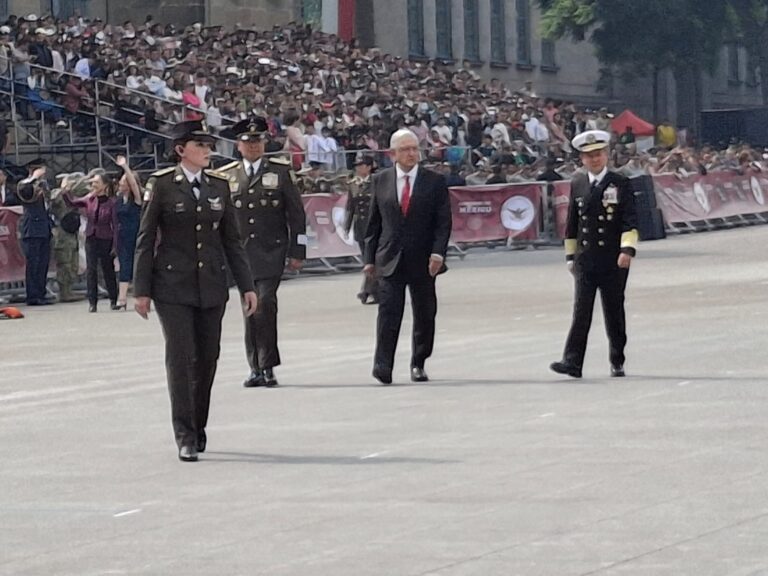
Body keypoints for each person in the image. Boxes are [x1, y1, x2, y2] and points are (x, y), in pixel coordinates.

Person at [133, 119, 258, 462]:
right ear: (180, 150)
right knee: (181, 358)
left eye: (208, 145)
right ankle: (184, 433)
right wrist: (140, 289)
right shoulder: (161, 186)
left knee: (207, 358)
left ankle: (198, 425)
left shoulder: (219, 186)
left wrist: (247, 285)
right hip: (172, 285)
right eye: (200, 146)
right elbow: (146, 240)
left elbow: (231, 240)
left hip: (212, 286)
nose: (207, 151)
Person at [219, 116, 306, 388]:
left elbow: (297, 215)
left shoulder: (280, 172)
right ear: (239, 145)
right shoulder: (227, 176)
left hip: (272, 251)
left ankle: (267, 365)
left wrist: (298, 250)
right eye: (248, 142)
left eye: (258, 141)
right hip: (241, 255)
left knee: (265, 304)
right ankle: (255, 367)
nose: (254, 146)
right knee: (250, 308)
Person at [363, 129, 452, 385]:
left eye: (414, 148)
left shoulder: (433, 181)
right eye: (405, 149)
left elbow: (443, 222)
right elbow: (374, 223)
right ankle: (383, 364)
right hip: (389, 258)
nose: (411, 154)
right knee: (388, 313)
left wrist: (438, 253)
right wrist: (369, 259)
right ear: (393, 154)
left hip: (424, 259)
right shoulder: (381, 180)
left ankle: (419, 361)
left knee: (425, 313)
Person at [550, 130, 638, 379]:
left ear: (606, 155)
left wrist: (627, 250)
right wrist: (570, 257)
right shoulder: (577, 182)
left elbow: (629, 221)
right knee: (581, 311)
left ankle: (617, 358)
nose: (594, 159)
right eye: (589, 156)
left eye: (598, 154)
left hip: (613, 259)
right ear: (582, 159)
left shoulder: (620, 183)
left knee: (613, 311)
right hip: (586, 258)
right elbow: (572, 224)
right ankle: (572, 361)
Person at [63, 172, 119, 312]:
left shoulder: (112, 203)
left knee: (108, 270)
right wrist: (66, 191)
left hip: (106, 238)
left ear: (105, 185)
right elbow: (72, 202)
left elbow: (116, 226)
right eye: (92, 182)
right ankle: (92, 302)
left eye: (96, 182)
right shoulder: (90, 199)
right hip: (91, 237)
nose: (93, 185)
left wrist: (115, 246)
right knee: (91, 270)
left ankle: (113, 298)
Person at [16, 158, 54, 305]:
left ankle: (41, 292)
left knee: (43, 263)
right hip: (32, 229)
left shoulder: (42, 186)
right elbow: (24, 192)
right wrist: (33, 178)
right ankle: (32, 295)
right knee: (34, 263)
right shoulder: (24, 184)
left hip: (44, 228)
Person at [344, 155, 378, 304]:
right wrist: (347, 225)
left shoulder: (377, 181)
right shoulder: (353, 184)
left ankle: (368, 291)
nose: (358, 168)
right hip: (361, 227)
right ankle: (370, 290)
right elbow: (351, 206)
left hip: (375, 226)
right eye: (357, 165)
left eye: (361, 165)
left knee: (373, 260)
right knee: (367, 260)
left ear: (369, 167)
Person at [50, 173, 85, 302]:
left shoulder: (73, 195)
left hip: (72, 232)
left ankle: (69, 290)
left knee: (73, 264)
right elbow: (53, 200)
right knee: (65, 263)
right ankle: (64, 293)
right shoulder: (57, 194)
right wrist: (64, 189)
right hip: (63, 234)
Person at [114, 155, 142, 309]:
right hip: (123, 236)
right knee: (124, 266)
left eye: (123, 182)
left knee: (138, 266)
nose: (120, 183)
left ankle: (143, 295)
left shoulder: (137, 199)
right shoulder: (119, 200)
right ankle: (122, 299)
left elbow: (133, 183)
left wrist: (125, 167)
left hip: (136, 235)